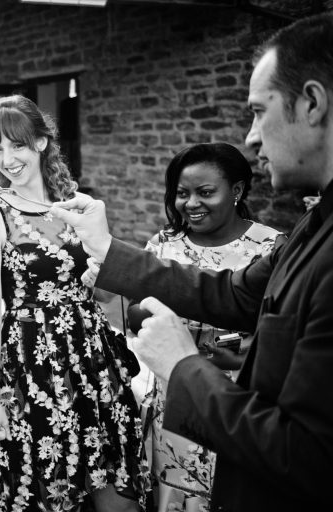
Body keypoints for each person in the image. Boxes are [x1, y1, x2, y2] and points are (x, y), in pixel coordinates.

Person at [50, 12, 333, 512]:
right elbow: (232, 292)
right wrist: (107, 248)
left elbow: (309, 455)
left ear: (312, 103)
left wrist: (184, 366)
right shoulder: (315, 223)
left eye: (258, 111)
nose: (251, 137)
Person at [0, 95, 150, 512]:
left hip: (93, 360)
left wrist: (99, 271)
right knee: (51, 492)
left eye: (17, 145)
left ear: (41, 142)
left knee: (118, 496)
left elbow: (107, 293)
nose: (7, 159)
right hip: (33, 368)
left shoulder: (78, 206)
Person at [125, 143, 284, 511]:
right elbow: (133, 312)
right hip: (174, 400)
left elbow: (280, 328)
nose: (191, 203)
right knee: (177, 496)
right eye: (182, 193)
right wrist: (153, 312)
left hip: (237, 403)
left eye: (205, 192)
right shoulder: (164, 244)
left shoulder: (270, 247)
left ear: (237, 191)